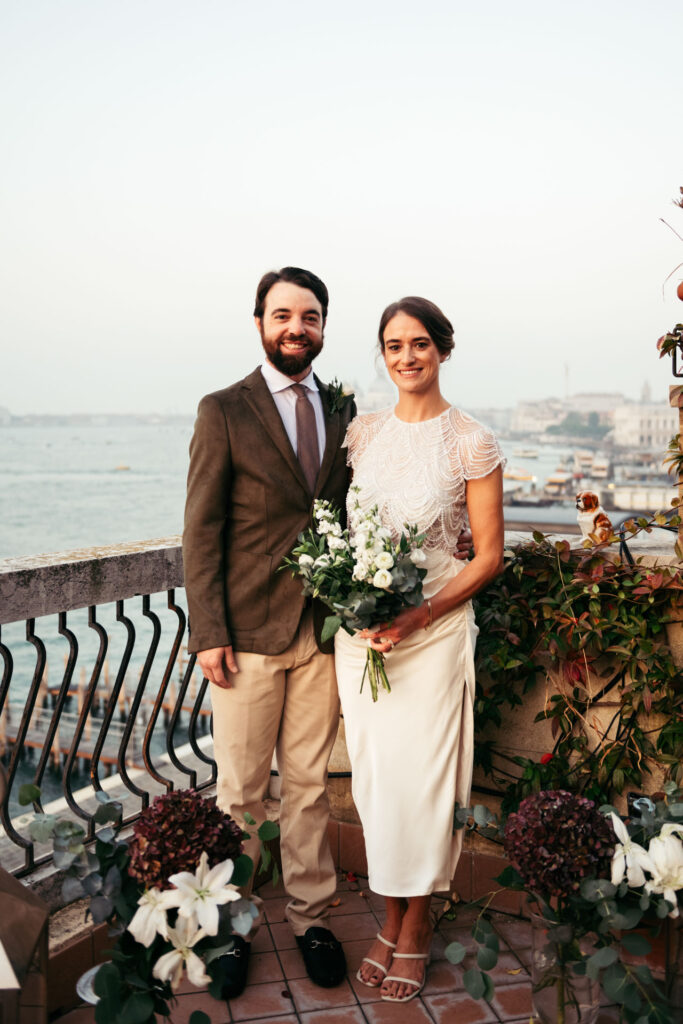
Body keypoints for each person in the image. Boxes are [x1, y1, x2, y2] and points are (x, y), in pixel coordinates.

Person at [182, 267, 355, 996]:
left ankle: (313, 917)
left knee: (311, 787)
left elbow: (349, 512)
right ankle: (234, 924)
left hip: (320, 631)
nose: (296, 327)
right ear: (259, 322)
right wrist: (208, 630)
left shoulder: (343, 409)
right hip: (246, 632)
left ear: (321, 327)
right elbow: (201, 527)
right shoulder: (223, 408)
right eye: (282, 314)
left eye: (309, 316)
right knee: (242, 794)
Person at [334, 296, 505, 1004]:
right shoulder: (361, 434)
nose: (406, 356)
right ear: (382, 354)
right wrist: (352, 601)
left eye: (419, 344)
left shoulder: (471, 440)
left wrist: (418, 614)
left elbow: (488, 555)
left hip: (431, 635)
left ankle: (415, 925)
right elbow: (342, 536)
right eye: (393, 345)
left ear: (442, 349)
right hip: (362, 640)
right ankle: (390, 915)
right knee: (377, 788)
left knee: (423, 788)